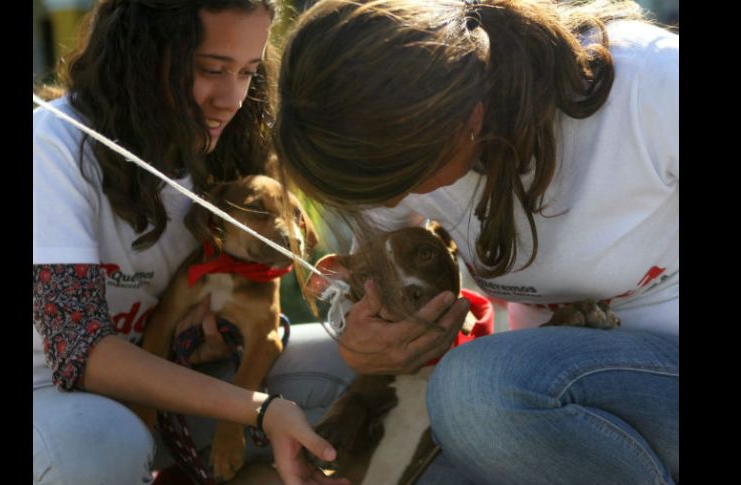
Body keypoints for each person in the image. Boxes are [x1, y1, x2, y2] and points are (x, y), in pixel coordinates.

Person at [274, 0, 678, 483]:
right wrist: (362, 340)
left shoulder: (650, 83)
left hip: (651, 375)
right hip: (543, 387)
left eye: (403, 179)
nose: (395, 199)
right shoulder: (388, 134)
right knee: (301, 383)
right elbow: (367, 283)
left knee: (472, 391)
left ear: (469, 116)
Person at [32, 1, 353, 484]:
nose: (231, 99)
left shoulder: (221, 155)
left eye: (247, 73)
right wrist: (258, 409)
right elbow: (80, 352)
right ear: (140, 59)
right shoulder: (53, 145)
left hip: (161, 386)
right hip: (53, 399)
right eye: (210, 69)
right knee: (102, 441)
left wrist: (216, 336)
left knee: (355, 372)